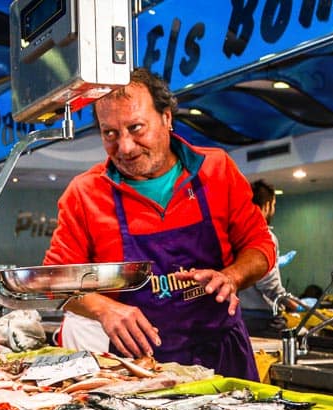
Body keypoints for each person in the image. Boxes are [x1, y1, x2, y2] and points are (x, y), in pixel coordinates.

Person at [44, 68, 275, 379]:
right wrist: (104, 309)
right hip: (139, 368)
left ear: (167, 118)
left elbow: (259, 245)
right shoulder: (84, 194)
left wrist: (233, 276)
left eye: (136, 128)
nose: (124, 147)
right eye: (109, 133)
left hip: (223, 358)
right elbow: (56, 283)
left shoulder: (217, 170)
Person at [237, 180, 303, 338]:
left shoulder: (237, 233)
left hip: (240, 315)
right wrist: (292, 303)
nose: (273, 210)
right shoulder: (264, 236)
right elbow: (267, 282)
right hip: (262, 319)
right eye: (273, 205)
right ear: (266, 206)